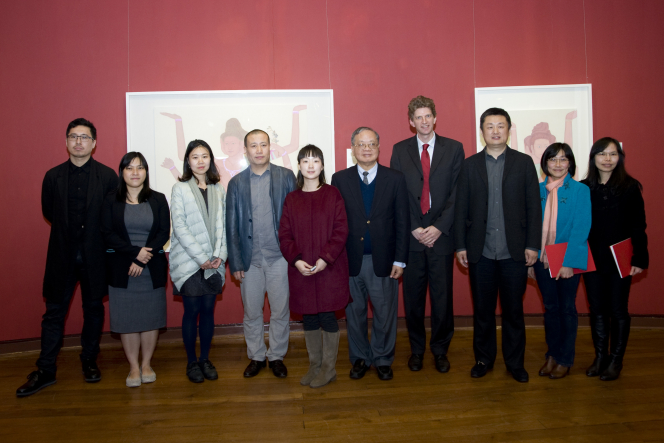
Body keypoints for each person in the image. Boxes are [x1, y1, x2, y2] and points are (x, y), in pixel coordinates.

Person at [17, 118, 118, 397]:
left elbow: (110, 217)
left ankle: (89, 360)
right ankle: (46, 369)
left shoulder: (108, 177)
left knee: (93, 310)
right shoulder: (53, 176)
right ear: (66, 142)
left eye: (84, 137)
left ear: (94, 143)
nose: (78, 142)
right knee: (53, 314)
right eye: (73, 137)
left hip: (95, 256)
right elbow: (49, 212)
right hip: (61, 255)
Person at [454, 108, 541, 383]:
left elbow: (533, 209)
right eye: (489, 126)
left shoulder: (524, 163)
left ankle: (515, 363)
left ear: (509, 130)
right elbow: (460, 209)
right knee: (483, 311)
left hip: (514, 251)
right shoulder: (469, 165)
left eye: (500, 126)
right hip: (480, 250)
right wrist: (460, 246)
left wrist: (532, 245)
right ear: (482, 131)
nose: (495, 131)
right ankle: (483, 359)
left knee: (514, 311)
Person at [390, 95, 464, 373]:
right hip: (412, 238)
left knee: (443, 300)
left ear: (435, 118)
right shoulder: (399, 150)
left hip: (441, 237)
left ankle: (440, 350)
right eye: (417, 117)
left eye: (427, 116)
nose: (423, 121)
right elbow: (398, 194)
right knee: (413, 301)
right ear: (411, 122)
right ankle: (417, 350)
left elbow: (458, 193)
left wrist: (438, 227)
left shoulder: (454, 149)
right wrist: (414, 228)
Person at [331, 127, 410, 381]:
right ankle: (360, 358)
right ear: (352, 149)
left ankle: (383, 358)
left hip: (384, 261)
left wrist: (400, 259)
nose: (366, 148)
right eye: (361, 144)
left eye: (372, 144)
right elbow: (336, 222)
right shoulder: (340, 179)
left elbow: (402, 221)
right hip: (350, 261)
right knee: (354, 315)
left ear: (378, 147)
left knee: (385, 314)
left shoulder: (395, 178)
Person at [226, 129, 297, 378]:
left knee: (280, 311)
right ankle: (256, 355)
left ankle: (276, 355)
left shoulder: (286, 177)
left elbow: (296, 219)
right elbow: (231, 226)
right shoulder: (236, 183)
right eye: (253, 146)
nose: (258, 150)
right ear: (246, 150)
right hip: (249, 261)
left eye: (263, 145)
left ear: (270, 148)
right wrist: (235, 261)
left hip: (280, 258)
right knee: (252, 312)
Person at [278, 145, 351, 388]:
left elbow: (341, 230)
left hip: (329, 269)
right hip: (302, 270)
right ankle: (315, 366)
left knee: (328, 317)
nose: (311, 165)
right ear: (298, 166)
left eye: (316, 161)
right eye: (305, 161)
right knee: (309, 317)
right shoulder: (292, 199)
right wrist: (296, 260)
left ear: (322, 165)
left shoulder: (333, 194)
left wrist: (324, 258)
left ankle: (329, 369)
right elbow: (285, 235)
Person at [101, 152, 171, 387]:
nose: (135, 172)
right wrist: (134, 253)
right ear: (122, 171)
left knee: (150, 318)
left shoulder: (158, 199)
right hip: (121, 268)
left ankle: (146, 364)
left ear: (146, 172)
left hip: (151, 267)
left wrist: (142, 258)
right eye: (129, 168)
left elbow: (163, 232)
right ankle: (133, 367)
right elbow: (107, 234)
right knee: (127, 318)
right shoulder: (111, 200)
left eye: (140, 168)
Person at [581, 137, 648, 381]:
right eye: (602, 154)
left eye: (613, 154)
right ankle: (601, 357)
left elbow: (639, 226)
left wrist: (639, 258)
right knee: (597, 309)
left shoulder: (630, 187)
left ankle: (616, 360)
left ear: (619, 158)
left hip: (620, 259)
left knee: (618, 310)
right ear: (594, 157)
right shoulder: (584, 187)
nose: (607, 159)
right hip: (592, 258)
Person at [529, 143, 591, 379]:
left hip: (567, 259)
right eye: (553, 159)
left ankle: (565, 358)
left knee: (567, 308)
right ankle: (552, 355)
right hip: (541, 258)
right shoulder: (536, 189)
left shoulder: (579, 190)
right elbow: (530, 225)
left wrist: (568, 262)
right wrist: (531, 257)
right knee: (551, 308)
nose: (557, 164)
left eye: (563, 159)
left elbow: (581, 228)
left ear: (570, 163)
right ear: (545, 163)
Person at [169, 140, 227, 383]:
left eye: (205, 156)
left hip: (213, 262)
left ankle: (205, 358)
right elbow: (180, 226)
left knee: (208, 311)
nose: (200, 161)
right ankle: (192, 362)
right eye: (195, 157)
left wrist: (218, 256)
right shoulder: (179, 188)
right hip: (190, 262)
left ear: (210, 160)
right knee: (191, 311)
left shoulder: (217, 189)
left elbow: (222, 226)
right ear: (188, 161)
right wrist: (201, 258)